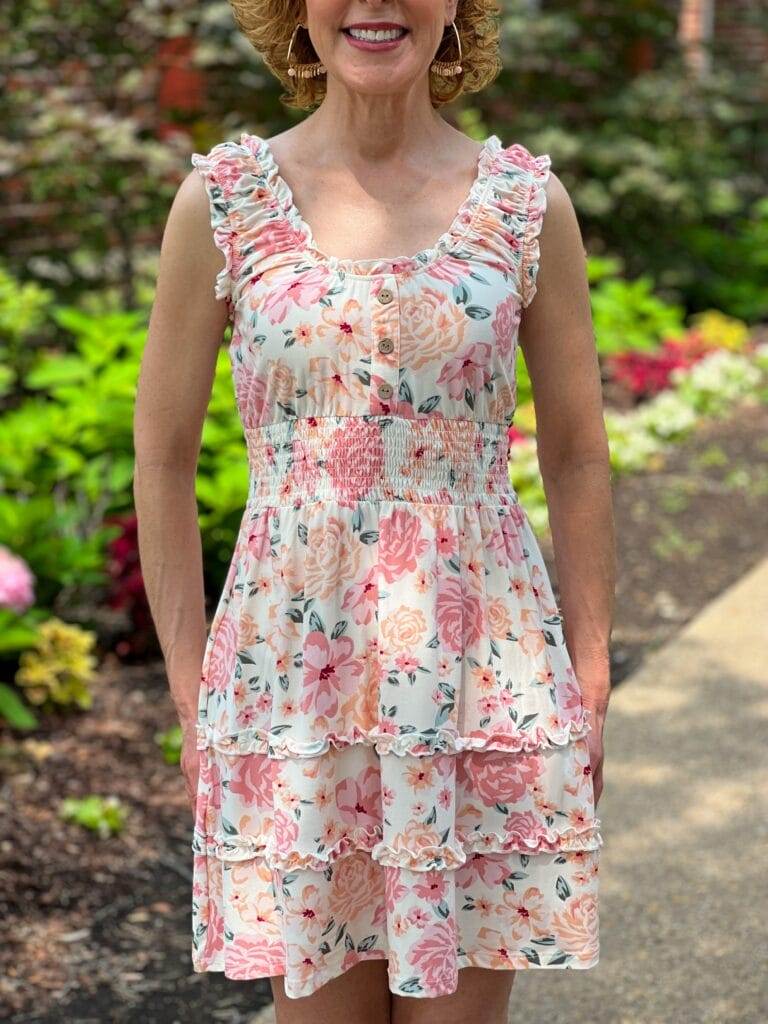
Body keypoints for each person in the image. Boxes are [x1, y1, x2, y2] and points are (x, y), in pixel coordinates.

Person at [133, 2, 615, 1022]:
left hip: (485, 681)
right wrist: (190, 696)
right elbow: (162, 456)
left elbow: (575, 455)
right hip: (296, 691)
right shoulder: (223, 204)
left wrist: (594, 675)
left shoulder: (528, 205)